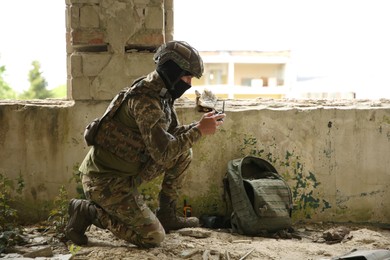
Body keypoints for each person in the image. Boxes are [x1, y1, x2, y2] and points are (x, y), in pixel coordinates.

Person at [65, 41, 226, 248]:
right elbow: (163, 154)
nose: (189, 83)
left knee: (184, 153)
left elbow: (168, 137)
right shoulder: (145, 101)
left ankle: (167, 214)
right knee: (153, 237)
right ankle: (88, 212)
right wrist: (199, 131)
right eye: (187, 76)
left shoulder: (162, 93)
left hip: (129, 172)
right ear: (172, 72)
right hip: (105, 182)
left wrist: (200, 125)